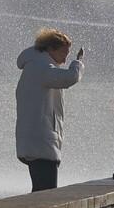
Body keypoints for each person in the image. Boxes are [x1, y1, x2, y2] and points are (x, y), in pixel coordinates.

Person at [15, 28, 84, 192]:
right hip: (40, 141)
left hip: (35, 140)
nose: (66, 58)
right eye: (64, 53)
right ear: (51, 49)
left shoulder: (36, 65)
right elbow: (69, 78)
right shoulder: (40, 67)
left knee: (41, 191)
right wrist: (78, 62)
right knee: (46, 194)